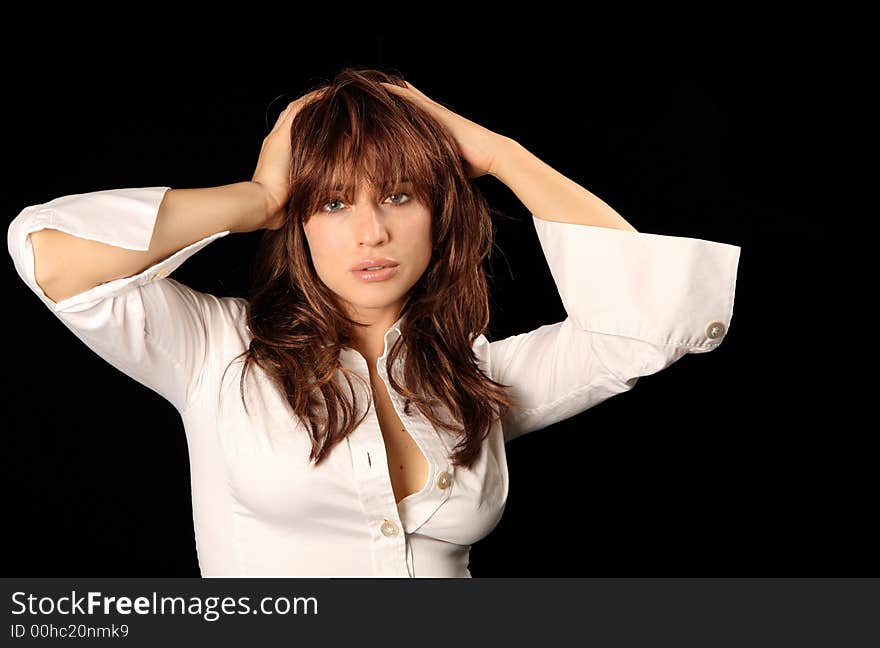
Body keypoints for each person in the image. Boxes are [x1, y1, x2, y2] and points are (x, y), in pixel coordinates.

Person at [6, 68, 741, 577]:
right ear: (300, 221)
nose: (370, 233)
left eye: (398, 196)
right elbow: (52, 256)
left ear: (437, 213)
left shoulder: (474, 379)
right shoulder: (216, 351)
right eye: (331, 203)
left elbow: (659, 318)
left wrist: (499, 155)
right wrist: (259, 200)